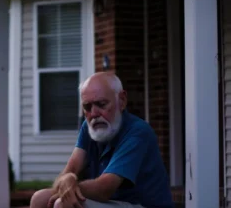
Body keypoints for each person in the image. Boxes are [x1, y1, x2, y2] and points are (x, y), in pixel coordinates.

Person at [30, 72, 173, 208]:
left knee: (64, 204)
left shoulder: (137, 132)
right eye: (87, 107)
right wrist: (67, 179)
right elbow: (70, 170)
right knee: (39, 198)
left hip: (142, 205)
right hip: (113, 203)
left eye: (101, 104)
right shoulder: (89, 126)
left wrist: (71, 185)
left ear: (122, 100)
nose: (93, 113)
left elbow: (104, 189)